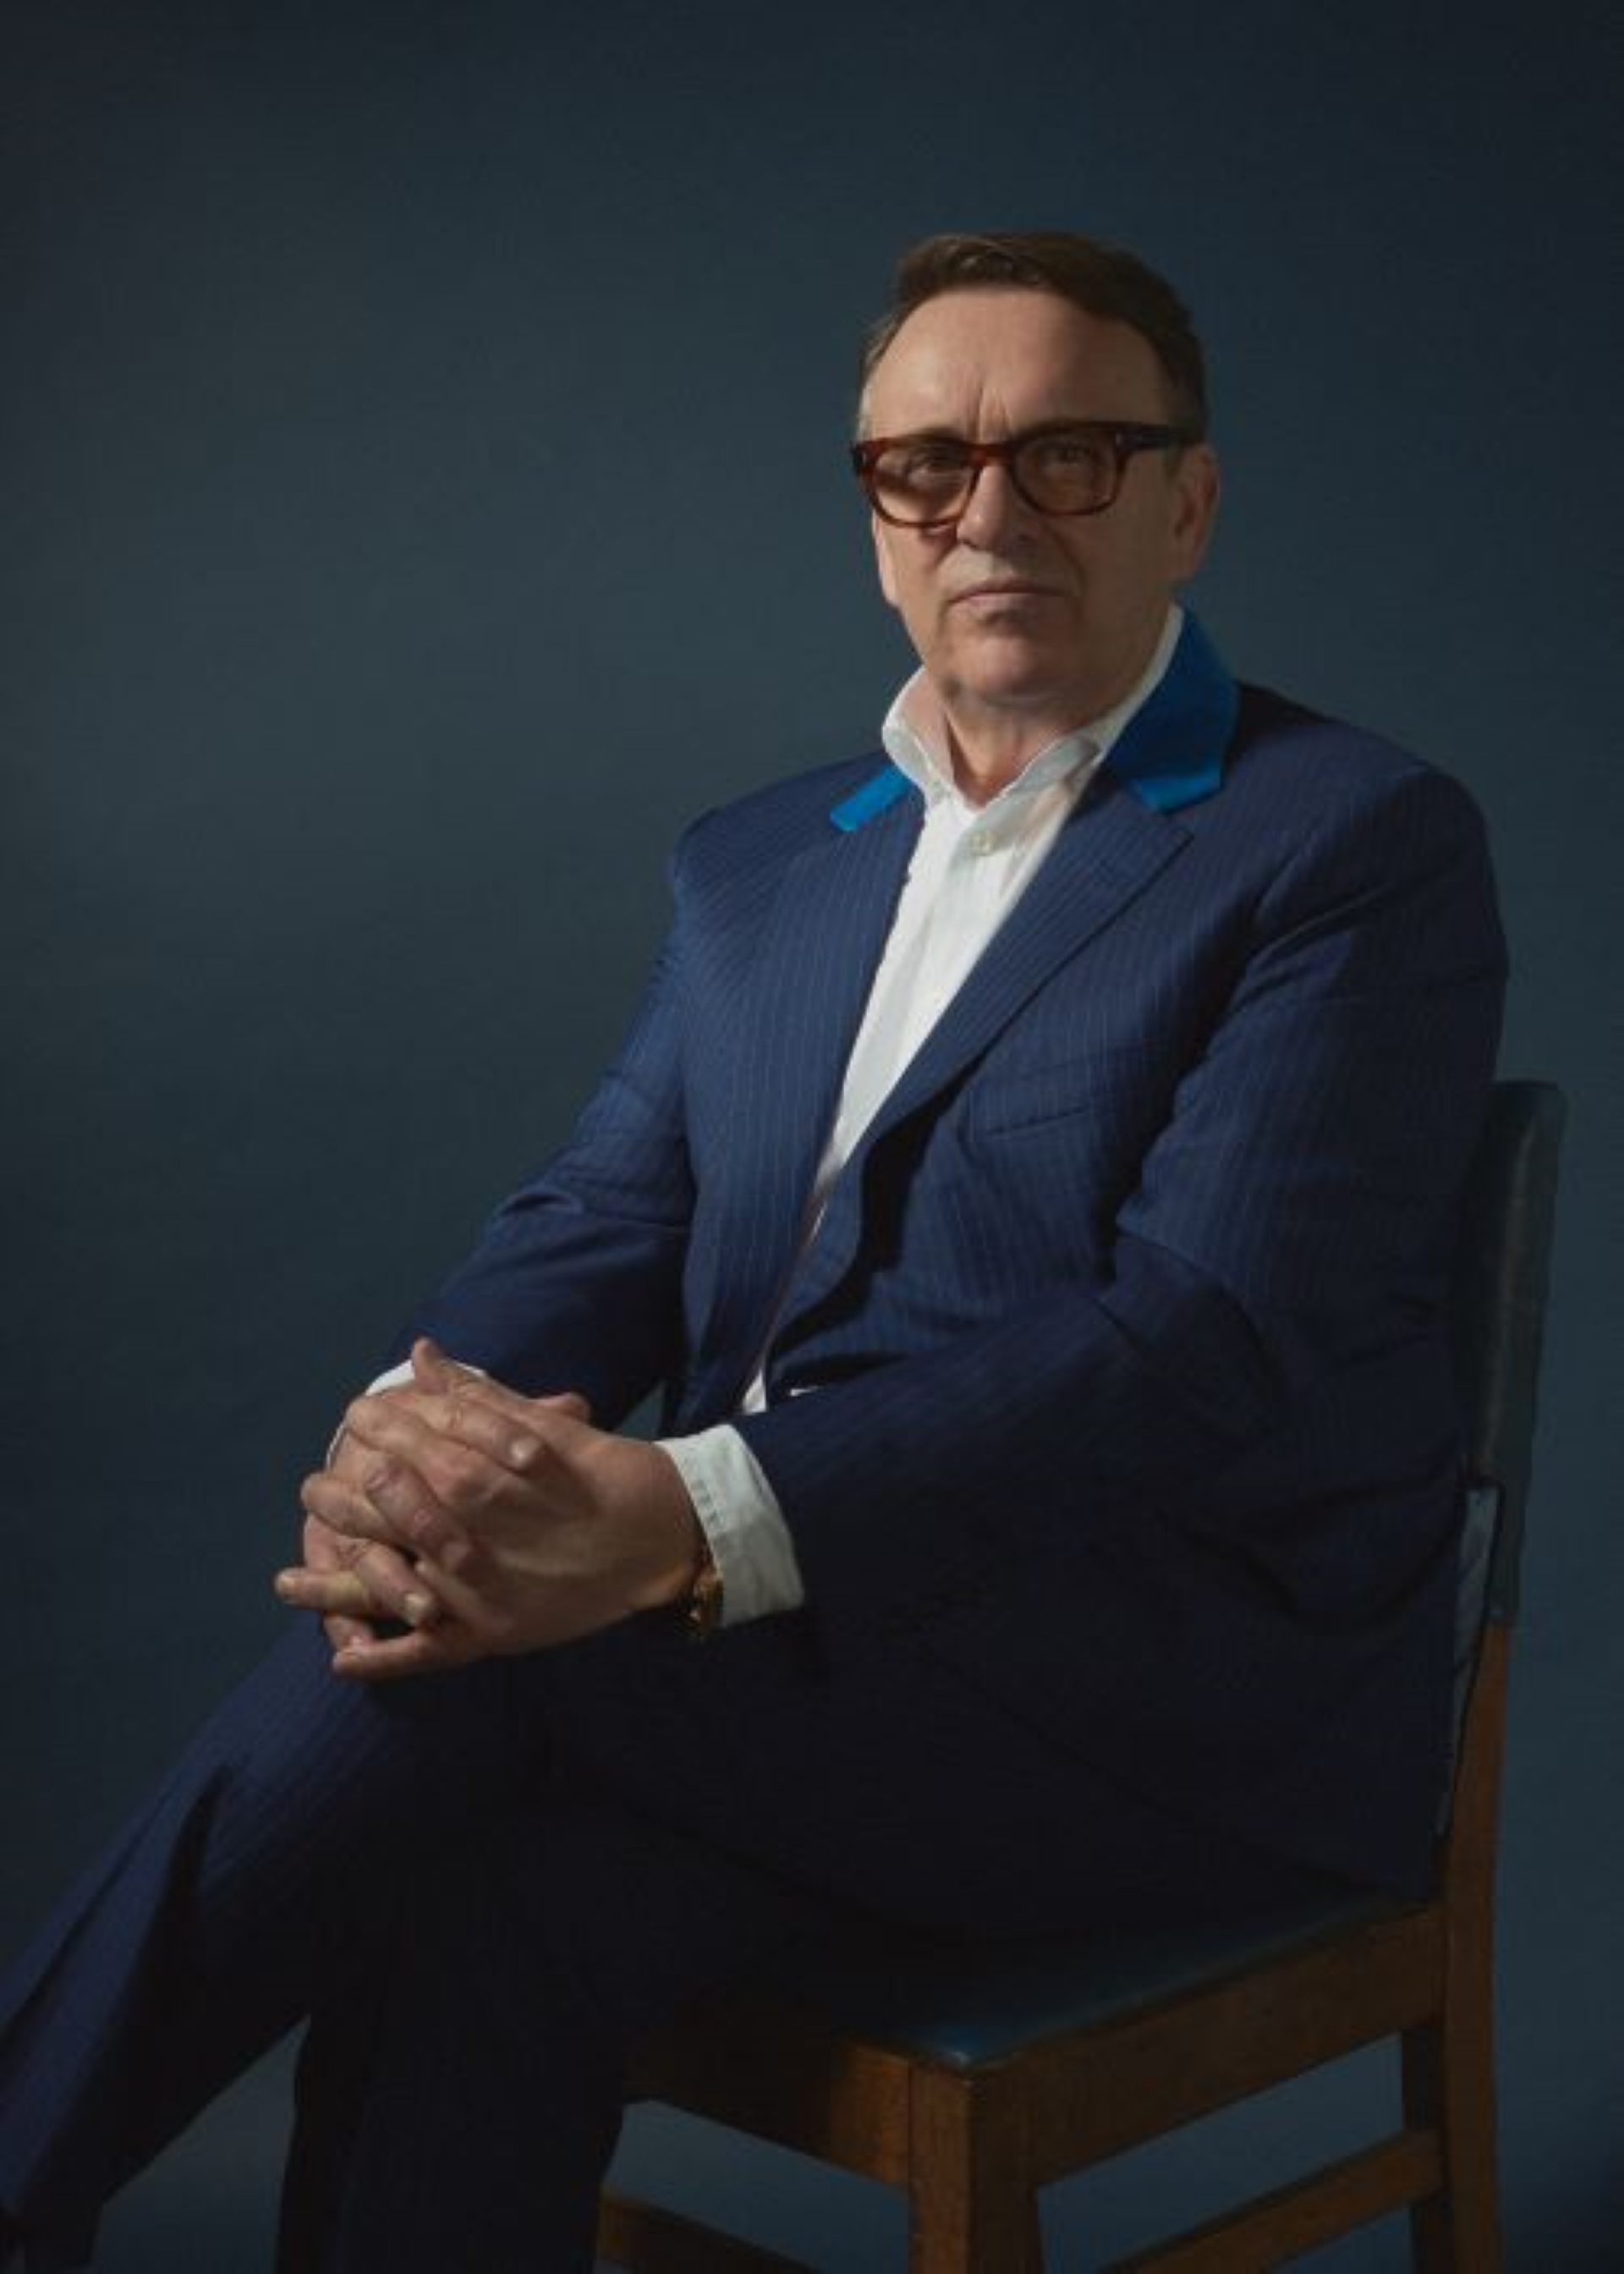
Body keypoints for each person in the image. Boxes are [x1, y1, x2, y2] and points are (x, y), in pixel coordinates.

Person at [0, 231, 1506, 2271]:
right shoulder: (759, 868)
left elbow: (1201, 1342)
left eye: (1068, 454)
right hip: (795, 1694)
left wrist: (680, 1522)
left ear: (1188, 502)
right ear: (879, 523)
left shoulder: (1347, 841)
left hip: (1160, 1716)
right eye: (928, 465)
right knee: (477, 1904)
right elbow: (600, 1219)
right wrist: (409, 1450)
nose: (989, 513)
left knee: (485, 1676)